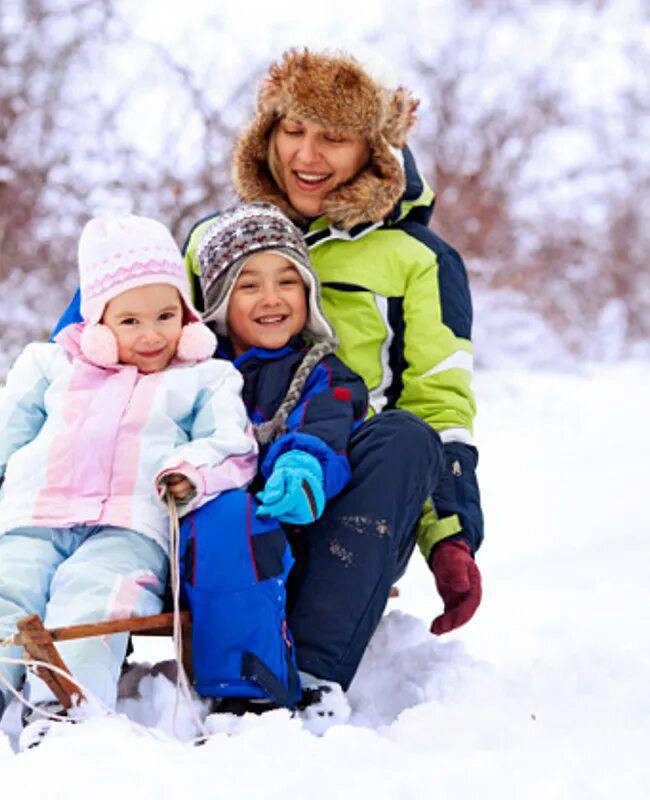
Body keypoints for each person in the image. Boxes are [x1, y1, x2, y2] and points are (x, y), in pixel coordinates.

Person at [181, 49, 485, 716]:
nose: (307, 155)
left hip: (345, 502)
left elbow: (439, 403)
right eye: (293, 130)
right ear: (267, 134)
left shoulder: (417, 260)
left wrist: (451, 536)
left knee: (404, 435)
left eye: (334, 138)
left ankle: (311, 676)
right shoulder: (213, 238)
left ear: (373, 149)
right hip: (220, 478)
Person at [0, 214, 258, 747]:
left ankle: (65, 708)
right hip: (31, 517)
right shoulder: (47, 367)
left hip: (130, 526)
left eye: (165, 315)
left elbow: (233, 445)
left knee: (96, 597)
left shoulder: (205, 378)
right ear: (97, 320)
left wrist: (189, 472)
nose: (152, 335)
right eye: (129, 321)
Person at [179, 202, 372, 721]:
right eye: (249, 285)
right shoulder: (188, 368)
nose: (272, 299)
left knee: (234, 518)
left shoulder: (321, 372)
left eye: (288, 282)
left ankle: (249, 685)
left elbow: (326, 423)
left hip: (270, 529)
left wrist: (303, 464)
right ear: (219, 299)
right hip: (169, 518)